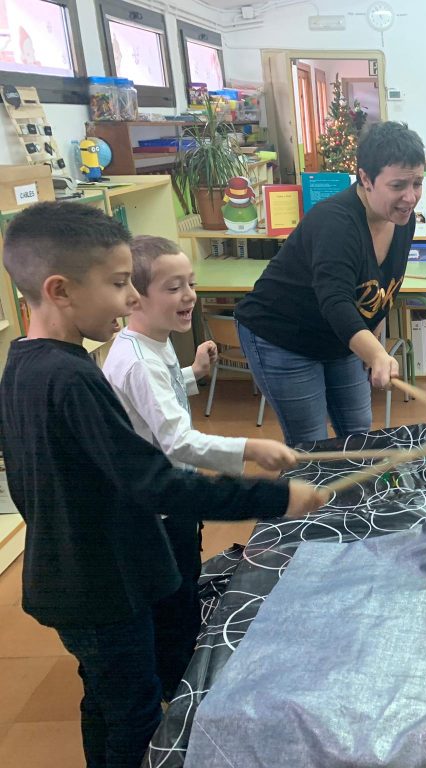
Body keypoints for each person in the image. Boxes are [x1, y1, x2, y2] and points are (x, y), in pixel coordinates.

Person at [0, 201, 328, 768]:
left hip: (71, 577)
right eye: (118, 284)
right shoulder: (73, 378)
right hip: (101, 587)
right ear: (60, 290)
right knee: (134, 716)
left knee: (106, 699)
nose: (130, 298)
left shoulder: (25, 364)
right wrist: (277, 495)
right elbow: (157, 483)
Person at [102, 234, 298, 699]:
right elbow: (178, 439)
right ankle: (177, 690)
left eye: (189, 283)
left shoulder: (152, 343)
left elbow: (157, 400)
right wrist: (249, 448)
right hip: (157, 505)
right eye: (173, 288)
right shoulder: (138, 362)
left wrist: (193, 374)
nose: (189, 295)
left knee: (183, 581)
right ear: (134, 298)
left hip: (170, 494)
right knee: (173, 598)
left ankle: (178, 656)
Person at [234, 121, 426, 445]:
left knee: (358, 433)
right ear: (366, 178)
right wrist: (376, 354)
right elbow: (336, 301)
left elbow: (381, 292)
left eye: (417, 183)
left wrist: (373, 345)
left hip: (337, 335)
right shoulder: (336, 222)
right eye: (398, 185)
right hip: (282, 335)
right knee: (313, 444)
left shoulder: (401, 219)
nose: (410, 197)